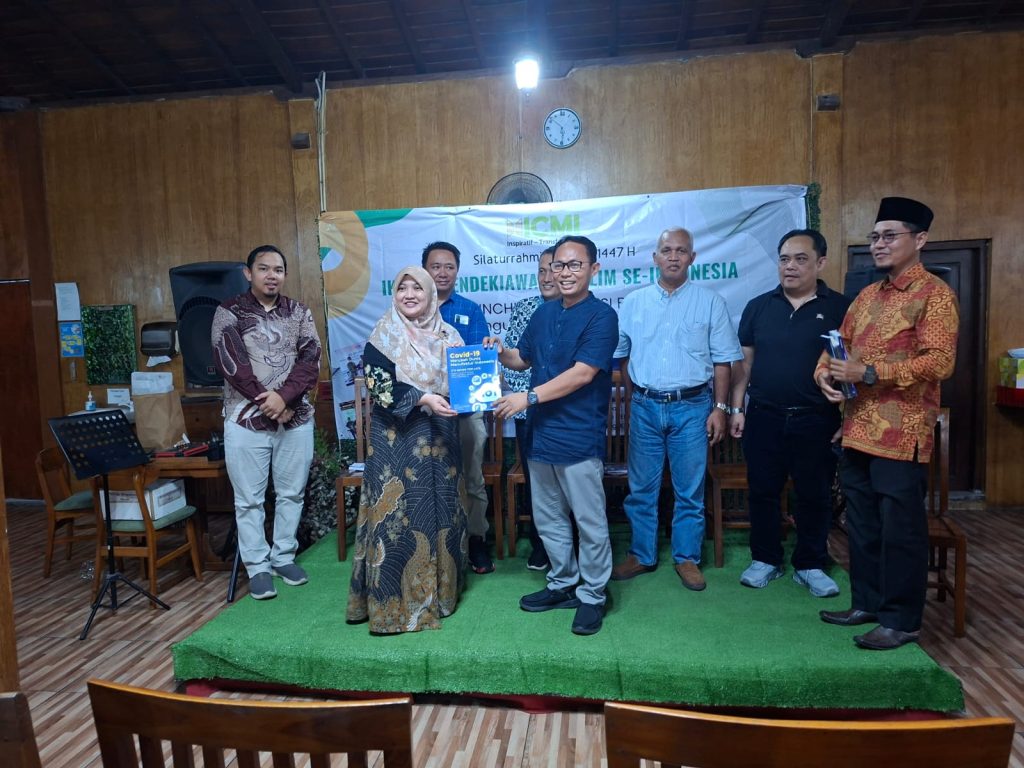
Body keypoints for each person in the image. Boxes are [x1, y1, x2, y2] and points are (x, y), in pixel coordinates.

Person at [816, 197, 958, 650]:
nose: (879, 244)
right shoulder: (866, 296)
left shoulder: (934, 294)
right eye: (875, 236)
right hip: (857, 429)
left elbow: (940, 362)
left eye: (889, 236)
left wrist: (871, 373)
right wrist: (824, 375)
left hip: (901, 434)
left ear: (920, 240)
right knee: (862, 525)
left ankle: (901, 621)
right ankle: (868, 604)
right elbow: (836, 346)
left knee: (901, 532)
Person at [488, 235, 618, 636]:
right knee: (548, 516)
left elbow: (583, 373)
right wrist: (499, 351)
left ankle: (593, 594)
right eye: (559, 265)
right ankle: (563, 583)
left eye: (575, 264)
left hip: (577, 435)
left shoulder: (602, 317)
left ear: (593, 269)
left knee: (589, 520)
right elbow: (522, 358)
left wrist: (527, 398)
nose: (565, 272)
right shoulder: (543, 314)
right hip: (540, 434)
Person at [611, 227, 742, 591]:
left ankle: (686, 557)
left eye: (681, 251)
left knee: (689, 489)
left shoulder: (710, 302)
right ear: (655, 257)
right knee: (641, 488)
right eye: (666, 250)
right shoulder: (633, 302)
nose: (673, 256)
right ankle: (642, 554)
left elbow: (723, 361)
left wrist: (719, 408)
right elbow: (623, 357)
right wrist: (636, 398)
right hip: (645, 407)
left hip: (693, 407)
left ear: (692, 258)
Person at [728, 229, 851, 597]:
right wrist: (737, 408)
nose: (790, 266)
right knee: (762, 491)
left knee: (814, 494)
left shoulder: (841, 309)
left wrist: (848, 419)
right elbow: (744, 366)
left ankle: (810, 563)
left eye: (800, 259)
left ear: (820, 262)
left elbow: (850, 368)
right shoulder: (759, 307)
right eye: (784, 259)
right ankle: (765, 559)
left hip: (816, 419)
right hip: (763, 416)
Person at [346, 266, 467, 633]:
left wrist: (473, 393)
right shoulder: (383, 335)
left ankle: (440, 597)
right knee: (397, 516)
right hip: (396, 439)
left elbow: (465, 384)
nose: (410, 294)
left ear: (431, 295)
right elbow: (381, 388)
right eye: (403, 288)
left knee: (442, 512)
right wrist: (424, 397)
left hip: (440, 437)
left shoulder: (450, 336)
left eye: (418, 288)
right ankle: (393, 606)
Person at [211, 244, 322, 601]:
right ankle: (257, 567)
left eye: (278, 270)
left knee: (292, 493)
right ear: (249, 273)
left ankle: (283, 557)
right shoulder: (229, 312)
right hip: (245, 420)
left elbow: (311, 358)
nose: (271, 275)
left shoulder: (299, 312)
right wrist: (269, 401)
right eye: (263, 268)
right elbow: (231, 363)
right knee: (249, 500)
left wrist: (285, 398)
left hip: (295, 418)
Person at [423, 241, 494, 574]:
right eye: (435, 266)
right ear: (424, 270)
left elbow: (479, 362)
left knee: (472, 478)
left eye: (449, 266)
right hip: (422, 413)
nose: (442, 272)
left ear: (457, 271)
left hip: (465, 408)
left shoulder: (470, 310)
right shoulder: (410, 309)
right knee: (426, 480)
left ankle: (477, 540)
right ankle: (432, 547)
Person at [501, 246, 558, 570]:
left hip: (565, 413)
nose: (546, 277)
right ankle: (541, 545)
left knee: (566, 482)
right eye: (541, 271)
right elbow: (513, 361)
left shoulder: (582, 313)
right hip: (528, 412)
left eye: (553, 269)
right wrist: (530, 396)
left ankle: (571, 546)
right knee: (537, 482)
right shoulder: (525, 308)